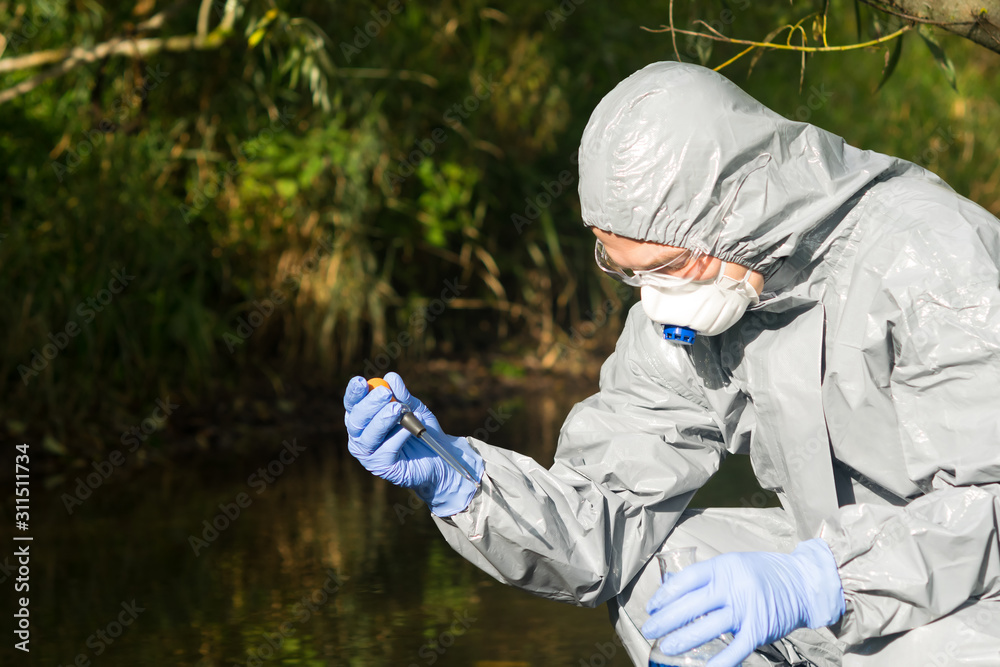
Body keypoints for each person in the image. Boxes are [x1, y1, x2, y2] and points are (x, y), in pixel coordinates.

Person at [343, 62, 1000, 666]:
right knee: (669, 574)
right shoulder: (695, 310)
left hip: (975, 596)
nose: (654, 296)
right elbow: (607, 515)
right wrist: (462, 479)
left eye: (664, 266)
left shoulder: (934, 256)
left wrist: (822, 578)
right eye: (626, 271)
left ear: (739, 209)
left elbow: (990, 501)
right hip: (851, 583)